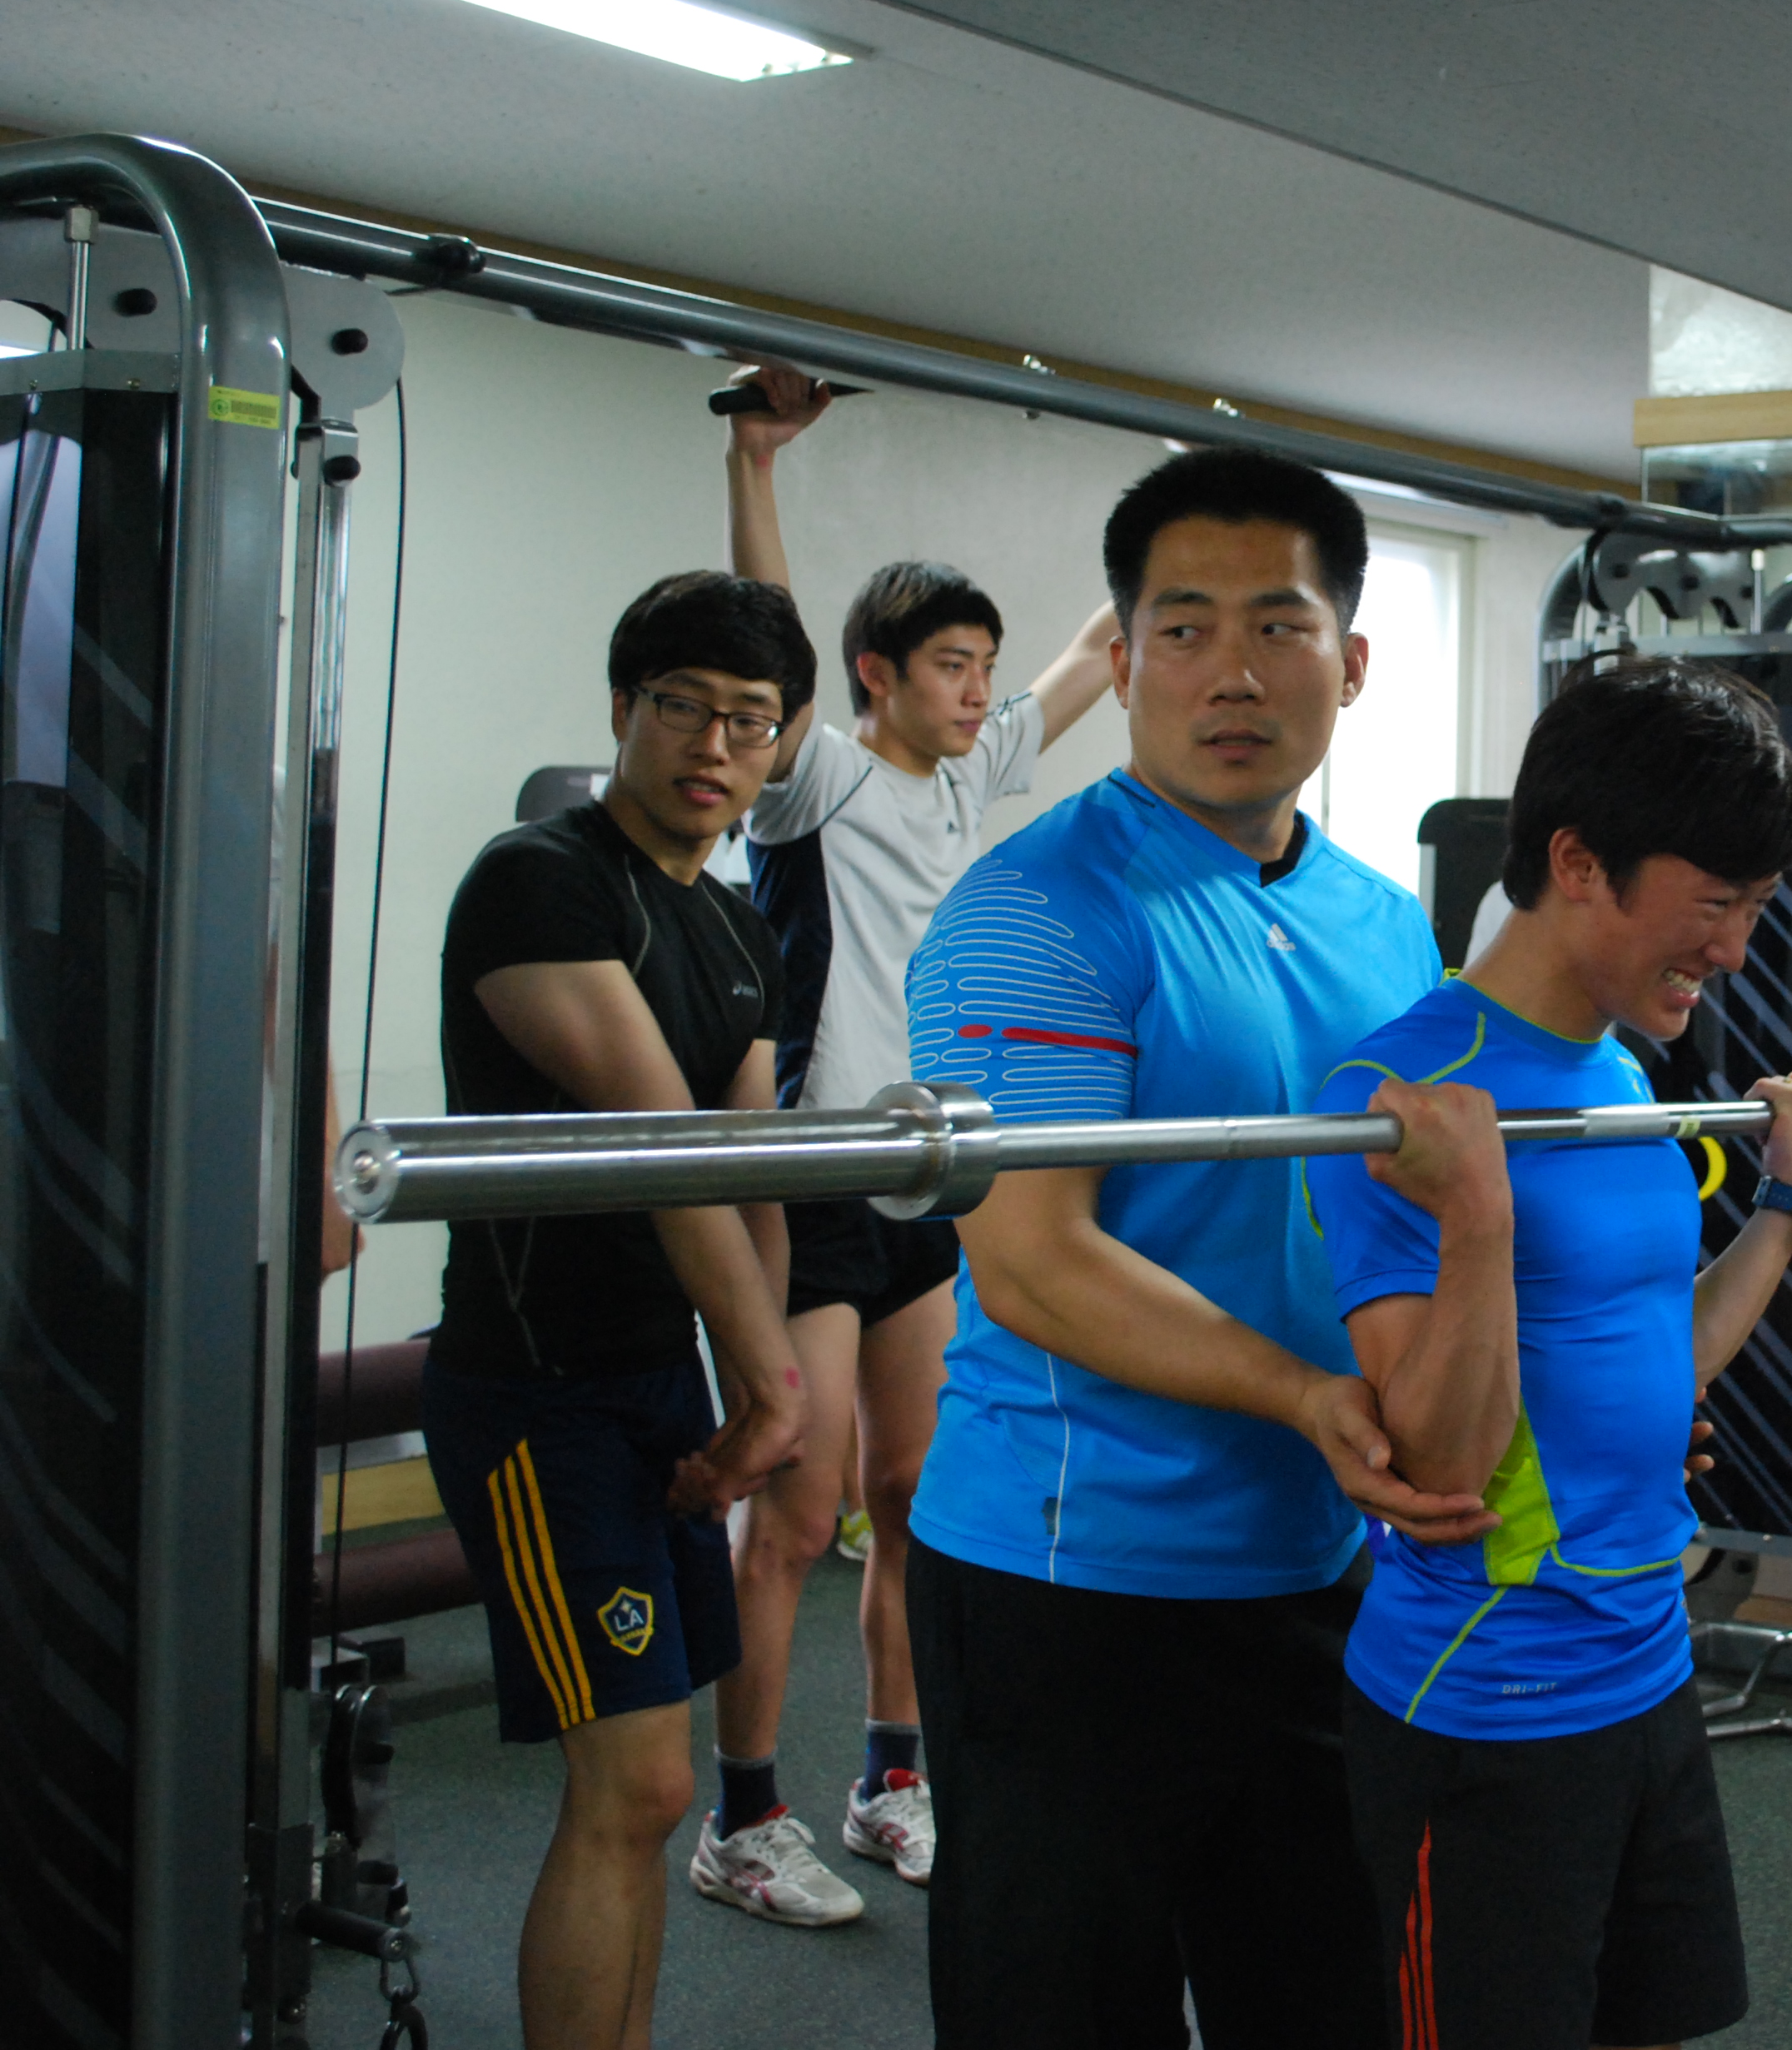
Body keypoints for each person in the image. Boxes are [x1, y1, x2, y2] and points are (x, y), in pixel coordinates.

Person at [901, 446, 1476, 2047]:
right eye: (1183, 628)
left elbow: (1407, 1215)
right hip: (1072, 1574)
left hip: (1323, 1559)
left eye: (1279, 626)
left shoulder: (1385, 918)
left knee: (1322, 1998)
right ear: (1126, 653)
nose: (1232, 672)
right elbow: (1033, 1259)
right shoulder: (1035, 910)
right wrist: (1304, 1395)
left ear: (1349, 663)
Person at [1306, 659, 1792, 2050]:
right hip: (1487, 1700)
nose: (1735, 950)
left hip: (1649, 1672)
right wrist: (1476, 1216)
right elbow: (1440, 1461)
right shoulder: (1394, 1098)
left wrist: (1786, 1199)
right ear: (1578, 863)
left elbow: (1665, 1353)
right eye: (1714, 904)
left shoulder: (1620, 1071)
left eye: (1756, 909)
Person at [688, 369, 1125, 1923]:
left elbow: (1093, 657)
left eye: (982, 669)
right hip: (811, 1179)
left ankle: (889, 1781)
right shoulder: (817, 778)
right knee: (796, 1513)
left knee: (917, 1491)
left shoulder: (971, 778)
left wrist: (1184, 533)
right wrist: (755, 460)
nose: (976, 690)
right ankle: (743, 1817)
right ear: (876, 673)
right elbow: (765, 634)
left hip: (930, 1180)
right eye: (950, 665)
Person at [416, 573, 815, 2050]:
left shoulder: (738, 930)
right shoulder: (541, 879)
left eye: (750, 721)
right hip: (537, 1396)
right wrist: (773, 1384)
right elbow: (664, 1146)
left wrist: (754, 1391)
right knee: (633, 1784)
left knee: (649, 1796)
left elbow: (754, 1174)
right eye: (683, 707)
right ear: (622, 709)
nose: (714, 745)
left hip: (658, 1392)